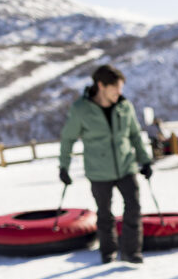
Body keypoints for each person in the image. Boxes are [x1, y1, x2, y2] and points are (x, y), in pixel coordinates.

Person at [59, 64, 153, 264]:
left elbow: (135, 135)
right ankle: (108, 251)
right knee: (104, 213)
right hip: (98, 170)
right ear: (101, 85)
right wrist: (63, 167)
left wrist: (145, 160)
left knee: (134, 208)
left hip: (126, 165)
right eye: (115, 88)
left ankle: (131, 252)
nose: (119, 93)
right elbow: (68, 138)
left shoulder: (124, 106)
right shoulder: (81, 110)